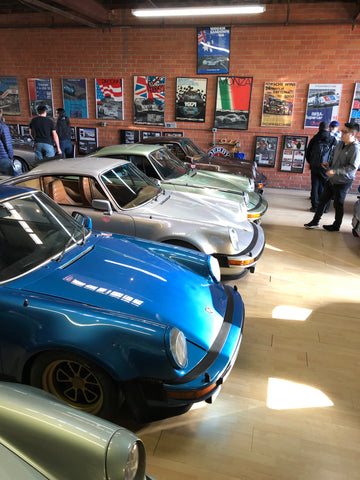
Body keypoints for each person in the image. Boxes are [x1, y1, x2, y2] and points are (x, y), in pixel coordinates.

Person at [304, 122, 360, 231]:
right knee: (322, 201)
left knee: (338, 204)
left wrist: (335, 171)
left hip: (343, 182)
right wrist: (329, 163)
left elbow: (352, 167)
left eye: (345, 132)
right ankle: (315, 221)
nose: (341, 133)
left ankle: (336, 225)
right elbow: (334, 156)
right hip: (332, 179)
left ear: (352, 134)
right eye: (342, 131)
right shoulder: (340, 144)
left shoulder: (355, 149)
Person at [305, 121, 336, 212]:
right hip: (326, 167)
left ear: (319, 128)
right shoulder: (333, 139)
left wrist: (312, 162)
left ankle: (314, 207)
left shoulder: (315, 138)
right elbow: (336, 154)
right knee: (327, 188)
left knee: (315, 186)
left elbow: (307, 152)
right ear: (328, 128)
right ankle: (325, 208)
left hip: (315, 166)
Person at [0, 110, 15, 176]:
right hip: (2, 157)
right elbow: (7, 143)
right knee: (11, 179)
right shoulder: (3, 127)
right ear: (0, 115)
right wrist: (11, 157)